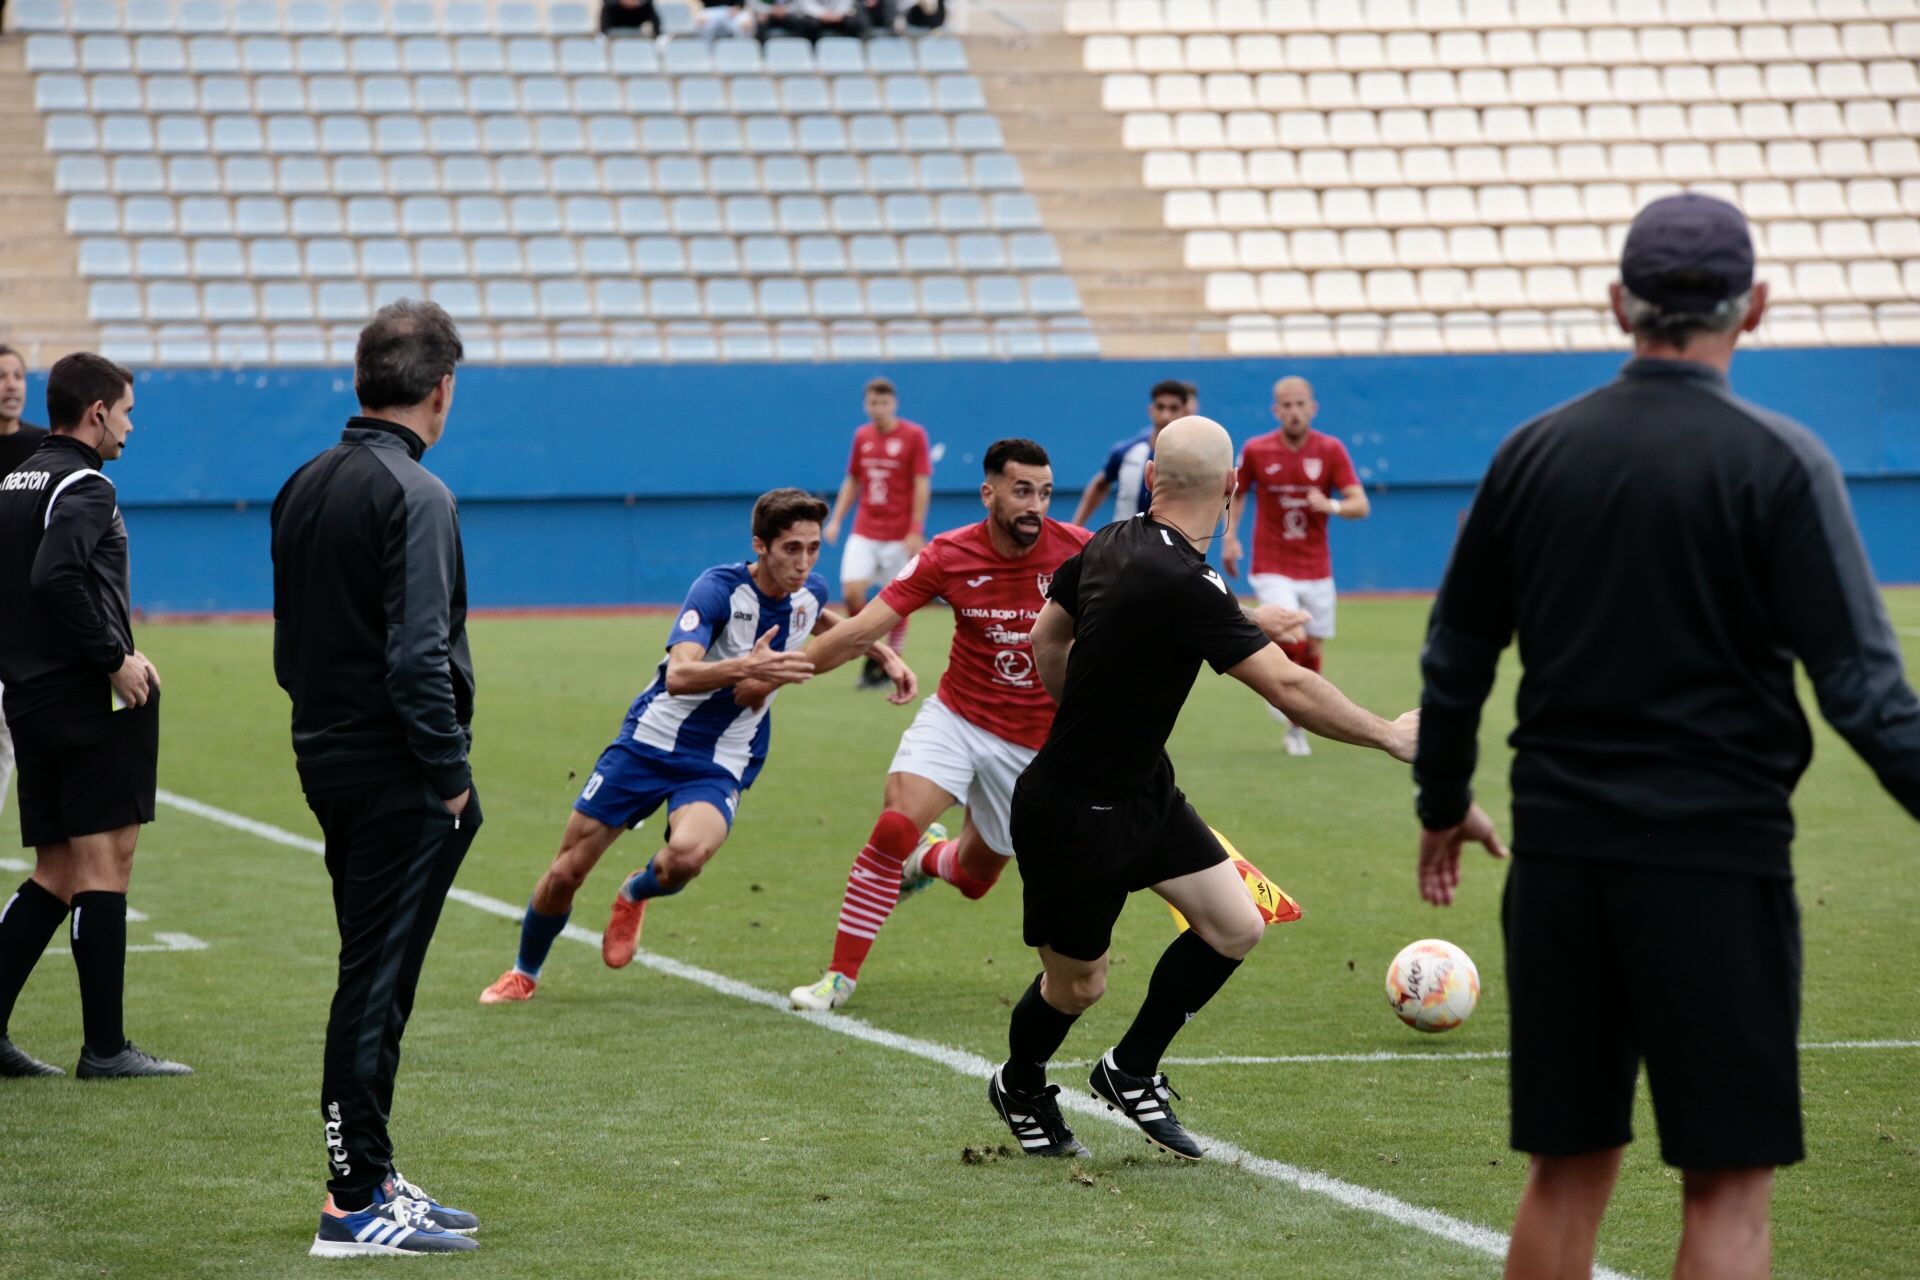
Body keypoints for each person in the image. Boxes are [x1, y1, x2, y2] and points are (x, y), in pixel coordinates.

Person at [1413, 193, 1920, 1280]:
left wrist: (1443, 800)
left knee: (1564, 1172)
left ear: (1618, 304)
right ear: (1757, 306)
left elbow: (1455, 655)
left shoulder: (1531, 454)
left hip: (1561, 861)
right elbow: (1868, 697)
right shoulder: (1781, 462)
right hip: (1717, 863)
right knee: (1728, 1190)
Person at [987, 416, 1420, 1160]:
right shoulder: (1186, 581)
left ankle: (1129, 1069)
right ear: (1232, 487)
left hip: (1143, 788)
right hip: (1073, 812)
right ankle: (1020, 1085)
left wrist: (1094, 717)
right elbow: (1288, 686)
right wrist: (1389, 734)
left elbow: (1044, 638)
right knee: (1078, 986)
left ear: (1153, 478)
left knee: (1235, 925)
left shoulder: (1112, 541)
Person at [479, 489, 916, 1005]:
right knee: (566, 871)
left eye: (813, 548)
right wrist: (748, 667)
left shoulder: (809, 591)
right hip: (649, 743)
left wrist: (884, 655)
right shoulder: (717, 590)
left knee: (685, 858)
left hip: (722, 757)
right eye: (791, 549)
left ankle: (635, 892)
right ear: (760, 545)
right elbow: (679, 675)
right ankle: (523, 973)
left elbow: (823, 620)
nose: (804, 563)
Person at [271, 301, 482, 1257]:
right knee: (374, 983)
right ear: (441, 389)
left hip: (329, 758)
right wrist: (450, 777)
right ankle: (353, 1199)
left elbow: (289, 651)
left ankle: (375, 1170)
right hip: (399, 772)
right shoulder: (416, 493)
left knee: (376, 976)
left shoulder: (303, 483)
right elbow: (417, 657)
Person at [788, 440, 1091, 1011]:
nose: (1035, 504)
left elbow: (1155, 603)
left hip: (1034, 747)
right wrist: (779, 671)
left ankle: (928, 859)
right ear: (989, 493)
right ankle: (838, 978)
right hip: (958, 718)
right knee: (893, 828)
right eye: (1022, 490)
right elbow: (861, 629)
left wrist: (1236, 623)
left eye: (1045, 492)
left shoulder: (1080, 552)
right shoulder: (948, 554)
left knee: (975, 880)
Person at [0, 352, 187, 1083]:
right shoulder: (85, 485)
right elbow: (56, 577)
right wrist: (115, 657)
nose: (131, 427)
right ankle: (105, 1048)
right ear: (97, 412)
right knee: (107, 862)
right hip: (81, 701)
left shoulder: (16, 479)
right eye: (127, 412)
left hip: (28, 697)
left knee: (56, 869)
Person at [1222, 376, 1369, 756]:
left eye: (1300, 404)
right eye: (1286, 405)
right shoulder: (1257, 449)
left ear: (1313, 408)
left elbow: (1360, 504)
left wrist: (1331, 505)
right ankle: (1279, 693)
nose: (1294, 411)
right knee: (1293, 634)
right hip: (1272, 563)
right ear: (1276, 410)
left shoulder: (1330, 450)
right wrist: (1230, 537)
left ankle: (1296, 725)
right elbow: (1237, 494)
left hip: (1316, 567)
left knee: (1313, 646)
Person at [822, 377, 932, 689]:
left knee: (898, 599)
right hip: (865, 529)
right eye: (873, 402)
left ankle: (891, 658)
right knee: (852, 591)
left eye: (884, 402)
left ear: (893, 404)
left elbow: (921, 484)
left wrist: (915, 529)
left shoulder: (913, 435)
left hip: (898, 533)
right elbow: (853, 480)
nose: (879, 408)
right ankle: (875, 649)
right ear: (865, 405)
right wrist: (836, 520)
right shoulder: (862, 436)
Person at [0, 342, 51, 826]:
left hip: (23, 625)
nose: (11, 385)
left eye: (17, 375)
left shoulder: (42, 449)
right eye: (1, 376)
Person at [1070, 379, 1195, 528]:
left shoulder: (1194, 458)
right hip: (1125, 540)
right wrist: (1075, 527)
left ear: (1185, 412)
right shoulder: (1126, 452)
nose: (1165, 415)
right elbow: (1100, 485)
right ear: (1151, 410)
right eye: (1160, 407)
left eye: (1173, 408)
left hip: (1172, 540)